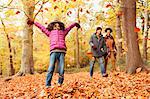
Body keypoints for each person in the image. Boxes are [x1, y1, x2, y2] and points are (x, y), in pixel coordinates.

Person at [27, 19, 80, 87]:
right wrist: (34, 22)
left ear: (60, 26)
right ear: (52, 26)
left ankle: (60, 83)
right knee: (51, 68)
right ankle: (48, 84)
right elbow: (42, 27)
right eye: (55, 26)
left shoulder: (63, 32)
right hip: (53, 51)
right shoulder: (50, 33)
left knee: (61, 69)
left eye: (58, 26)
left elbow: (69, 27)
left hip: (62, 52)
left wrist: (75, 24)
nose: (57, 27)